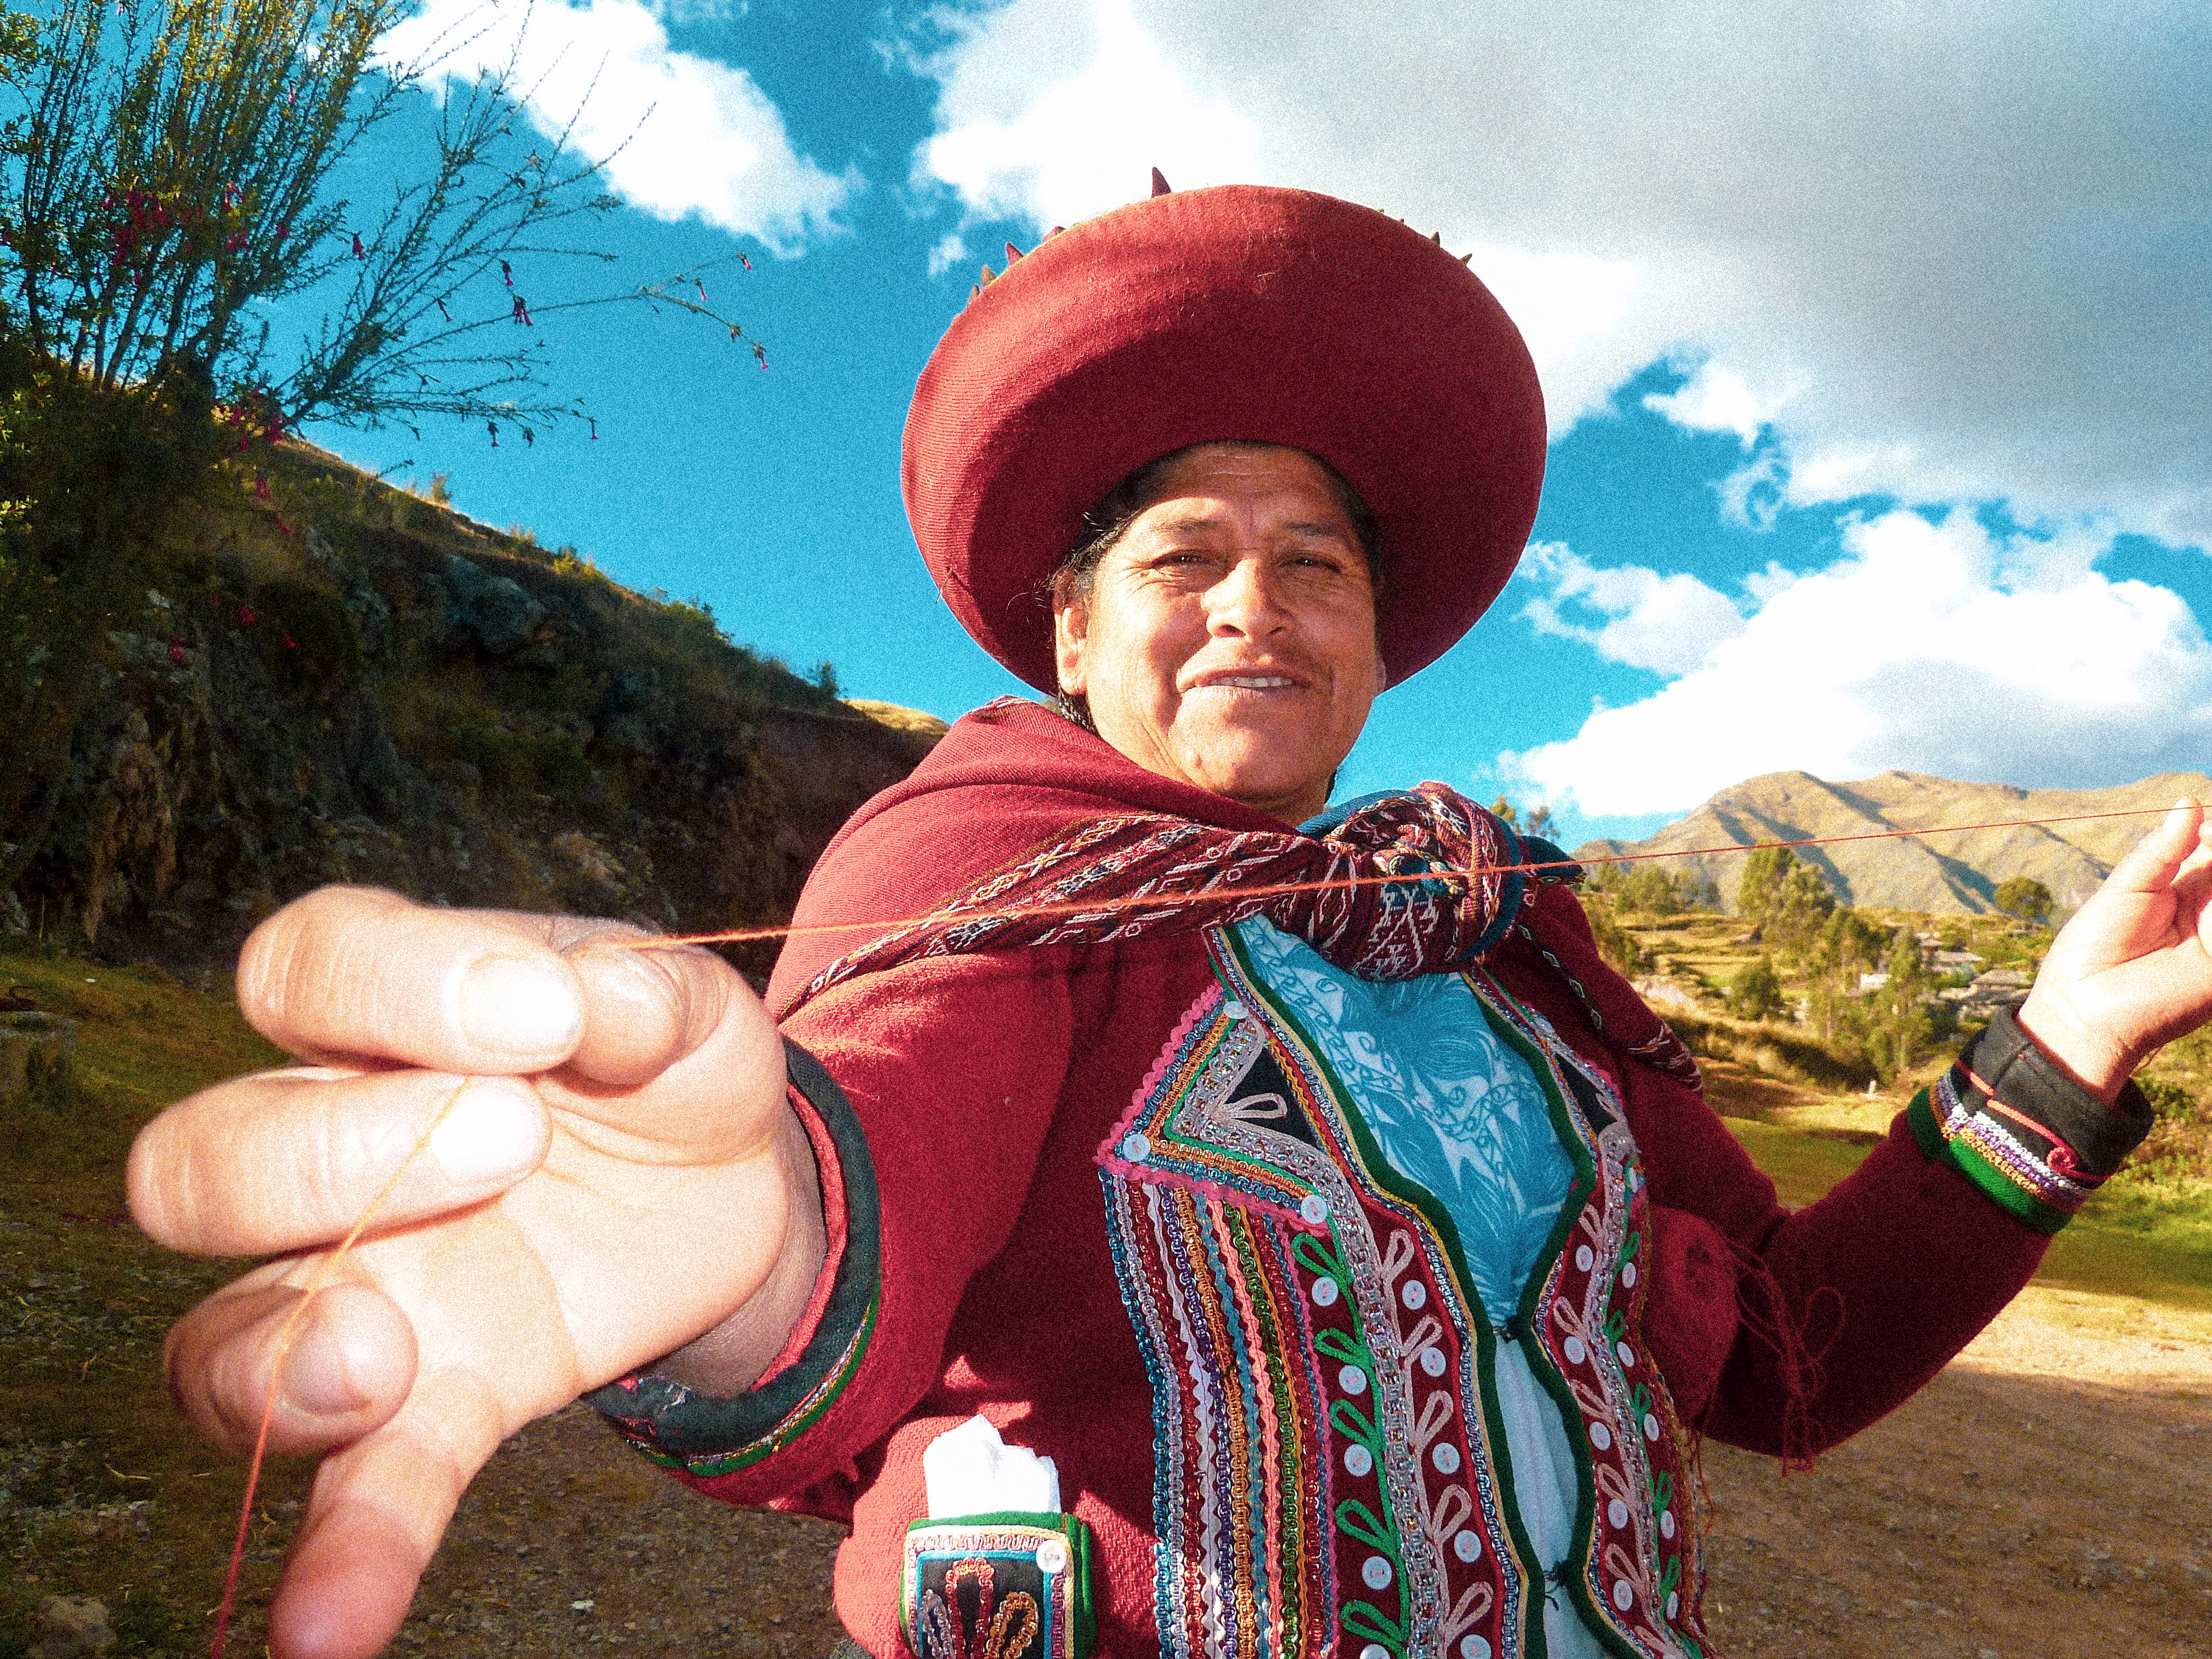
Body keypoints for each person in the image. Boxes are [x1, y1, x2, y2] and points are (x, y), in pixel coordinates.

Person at [131, 185, 2212, 1659]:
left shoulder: (1513, 957)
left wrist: (2061, 1052)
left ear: (1382, 639)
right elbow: (867, 1166)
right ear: (1071, 624)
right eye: (1185, 555)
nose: (1256, 601)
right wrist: (745, 1246)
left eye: (1317, 562)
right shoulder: (992, 871)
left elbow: (1787, 1360)